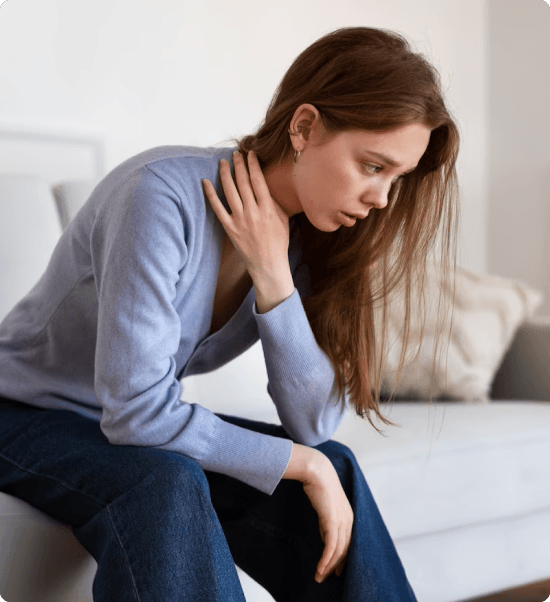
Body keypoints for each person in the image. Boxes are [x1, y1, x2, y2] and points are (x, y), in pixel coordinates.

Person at [0, 26, 460, 602]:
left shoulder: (308, 239)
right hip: (18, 414)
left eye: (397, 178)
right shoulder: (159, 198)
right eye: (372, 166)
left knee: (335, 463)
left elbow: (314, 427)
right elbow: (137, 414)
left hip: (112, 423)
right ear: (305, 126)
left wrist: (273, 278)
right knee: (166, 480)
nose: (382, 200)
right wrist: (303, 466)